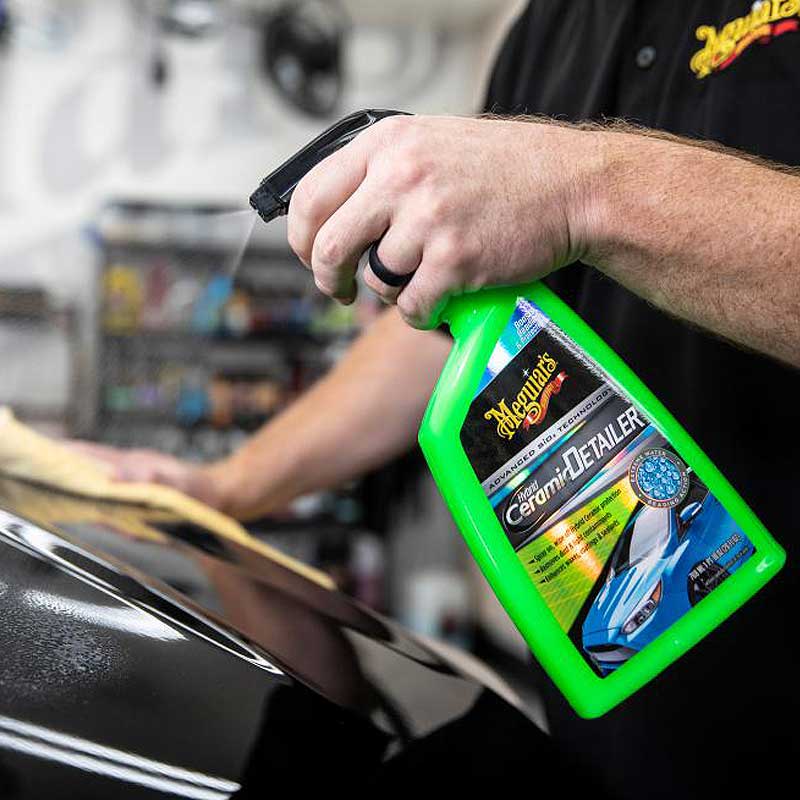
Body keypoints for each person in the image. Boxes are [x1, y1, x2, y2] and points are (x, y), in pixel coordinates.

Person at [77, 2, 799, 797]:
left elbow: (566, 203)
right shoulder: (549, 28)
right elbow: (462, 332)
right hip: (617, 738)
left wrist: (582, 193)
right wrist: (222, 489)